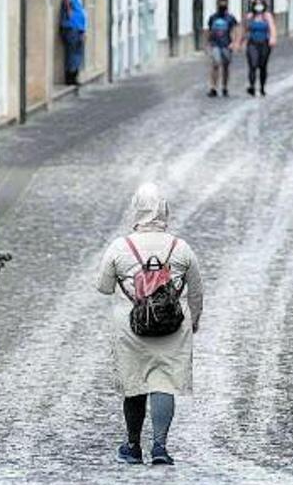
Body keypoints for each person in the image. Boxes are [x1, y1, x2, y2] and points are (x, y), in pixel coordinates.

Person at [96, 183, 203, 466]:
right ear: (164, 210)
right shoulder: (181, 248)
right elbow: (196, 290)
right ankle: (159, 447)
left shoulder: (120, 247)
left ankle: (132, 446)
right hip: (172, 326)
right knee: (163, 383)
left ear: (136, 209)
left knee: (135, 383)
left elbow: (104, 286)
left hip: (130, 327)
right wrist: (196, 320)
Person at [205, 0, 241, 98]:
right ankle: (213, 88)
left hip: (226, 45)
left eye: (224, 3)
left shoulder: (230, 18)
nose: (222, 5)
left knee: (225, 67)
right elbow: (209, 31)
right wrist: (208, 44)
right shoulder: (213, 18)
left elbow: (235, 30)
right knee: (215, 64)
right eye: (221, 3)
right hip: (215, 44)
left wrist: (234, 42)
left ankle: (225, 87)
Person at [244, 0, 278, 97]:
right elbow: (244, 29)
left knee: (262, 66)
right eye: (256, 4)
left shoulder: (267, 16)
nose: (258, 6)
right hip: (252, 43)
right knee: (253, 65)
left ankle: (262, 87)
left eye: (260, 4)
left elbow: (272, 27)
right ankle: (252, 86)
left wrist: (273, 38)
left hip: (264, 43)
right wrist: (241, 41)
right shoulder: (250, 16)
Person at [59, 0, 88, 86]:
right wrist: (69, 9)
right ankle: (70, 77)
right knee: (72, 52)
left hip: (77, 29)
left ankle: (74, 75)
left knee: (77, 53)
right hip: (71, 29)